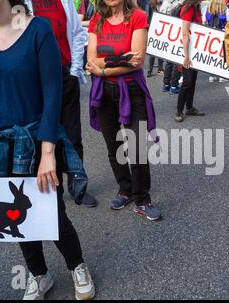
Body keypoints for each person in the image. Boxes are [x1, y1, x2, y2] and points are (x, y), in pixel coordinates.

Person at [0, 0, 95, 300]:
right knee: (15, 215)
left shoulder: (37, 29)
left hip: (34, 142)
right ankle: (39, 275)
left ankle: (76, 265)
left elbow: (52, 93)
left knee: (52, 211)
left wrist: (47, 154)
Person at [86, 0, 161, 221]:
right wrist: (121, 60)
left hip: (131, 89)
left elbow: (137, 61)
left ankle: (142, 198)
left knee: (137, 146)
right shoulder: (96, 20)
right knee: (113, 145)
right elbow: (91, 59)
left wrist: (103, 69)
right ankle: (125, 189)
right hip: (103, 91)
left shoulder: (137, 17)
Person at [27, 0, 98, 207]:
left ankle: (78, 187)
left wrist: (74, 69)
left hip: (64, 76)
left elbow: (77, 34)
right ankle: (48, 190)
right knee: (40, 137)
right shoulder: (21, 3)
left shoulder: (64, 1)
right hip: (34, 80)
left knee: (73, 135)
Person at [175, 0, 205, 122]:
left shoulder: (196, 8)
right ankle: (178, 111)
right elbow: (185, 34)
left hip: (194, 51)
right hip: (187, 52)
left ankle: (189, 107)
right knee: (187, 82)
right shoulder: (188, 10)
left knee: (192, 81)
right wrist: (186, 56)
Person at [205, 0, 229, 82]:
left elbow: (204, 21)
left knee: (212, 54)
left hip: (211, 33)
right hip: (222, 33)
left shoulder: (208, 8)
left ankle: (212, 76)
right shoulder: (225, 9)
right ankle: (222, 76)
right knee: (222, 55)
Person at [160, 0, 183, 94]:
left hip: (167, 33)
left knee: (169, 61)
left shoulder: (166, 3)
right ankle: (174, 85)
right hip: (176, 34)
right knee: (177, 62)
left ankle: (166, 85)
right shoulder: (179, 5)